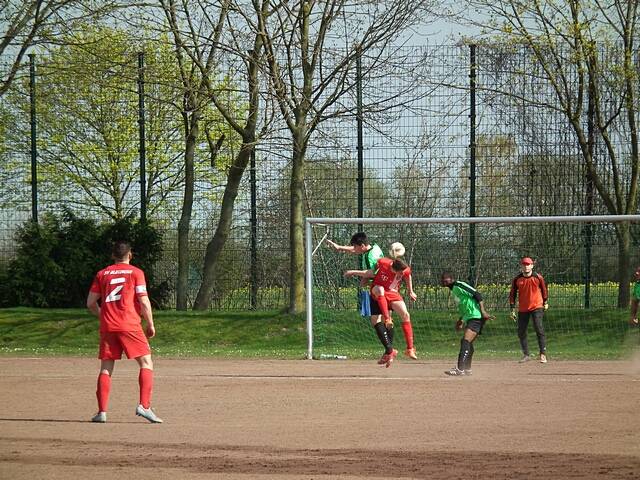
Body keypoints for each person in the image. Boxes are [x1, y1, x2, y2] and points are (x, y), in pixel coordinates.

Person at [86, 240, 163, 423]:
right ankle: (144, 406)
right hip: (129, 324)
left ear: (113, 255)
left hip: (108, 327)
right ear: (130, 255)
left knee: (106, 368)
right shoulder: (136, 273)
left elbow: (90, 303)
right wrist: (150, 323)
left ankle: (102, 412)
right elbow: (143, 301)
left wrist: (103, 315)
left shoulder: (102, 274)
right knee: (146, 362)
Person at [327, 233, 418, 360]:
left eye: (355, 246)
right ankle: (389, 348)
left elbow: (405, 276)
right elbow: (370, 269)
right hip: (378, 290)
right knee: (379, 310)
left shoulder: (374, 256)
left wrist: (410, 291)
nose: (354, 249)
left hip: (389, 291)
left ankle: (406, 349)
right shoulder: (378, 255)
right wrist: (340, 249)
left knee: (403, 315)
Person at [345, 257, 417, 367]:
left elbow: (408, 276)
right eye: (400, 272)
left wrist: (411, 291)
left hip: (392, 293)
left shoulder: (404, 269)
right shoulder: (382, 263)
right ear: (394, 269)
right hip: (377, 291)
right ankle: (387, 320)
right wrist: (353, 272)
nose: (402, 274)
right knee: (380, 291)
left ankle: (409, 349)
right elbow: (370, 272)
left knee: (405, 314)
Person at [440, 271, 494, 376]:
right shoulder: (454, 291)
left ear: (452, 279)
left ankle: (460, 369)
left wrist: (483, 311)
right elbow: (466, 307)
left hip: (476, 317)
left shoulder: (459, 285)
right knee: (468, 343)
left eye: (446, 278)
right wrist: (461, 320)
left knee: (465, 341)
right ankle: (467, 368)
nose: (443, 280)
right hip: (471, 318)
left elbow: (477, 294)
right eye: (442, 279)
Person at [509, 256, 549, 364]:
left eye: (528, 264)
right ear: (521, 266)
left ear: (532, 266)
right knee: (521, 331)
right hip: (523, 308)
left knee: (538, 328)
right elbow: (512, 294)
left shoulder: (538, 277)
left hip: (537, 306)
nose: (526, 267)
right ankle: (526, 354)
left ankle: (543, 354)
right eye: (524, 264)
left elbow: (544, 290)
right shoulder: (517, 279)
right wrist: (512, 309)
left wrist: (545, 302)